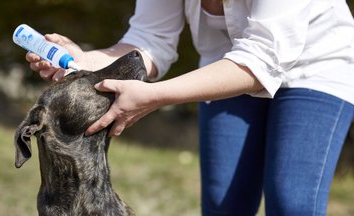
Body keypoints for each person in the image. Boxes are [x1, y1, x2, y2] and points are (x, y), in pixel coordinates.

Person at [26, 0, 354, 215]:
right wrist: (84, 61)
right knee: (223, 203)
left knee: (291, 202)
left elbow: (262, 61)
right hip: (226, 68)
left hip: (317, 68)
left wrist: (154, 96)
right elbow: (149, 41)